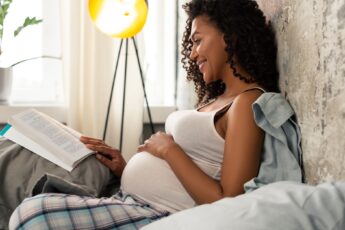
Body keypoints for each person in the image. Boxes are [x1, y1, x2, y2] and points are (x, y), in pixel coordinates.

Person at [8, 0, 302, 229]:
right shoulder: (216, 99)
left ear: (230, 36)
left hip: (155, 215)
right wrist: (124, 168)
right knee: (23, 164)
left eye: (198, 40)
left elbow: (229, 200)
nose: (192, 54)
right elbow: (186, 171)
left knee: (32, 214)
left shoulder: (248, 104)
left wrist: (168, 150)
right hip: (126, 197)